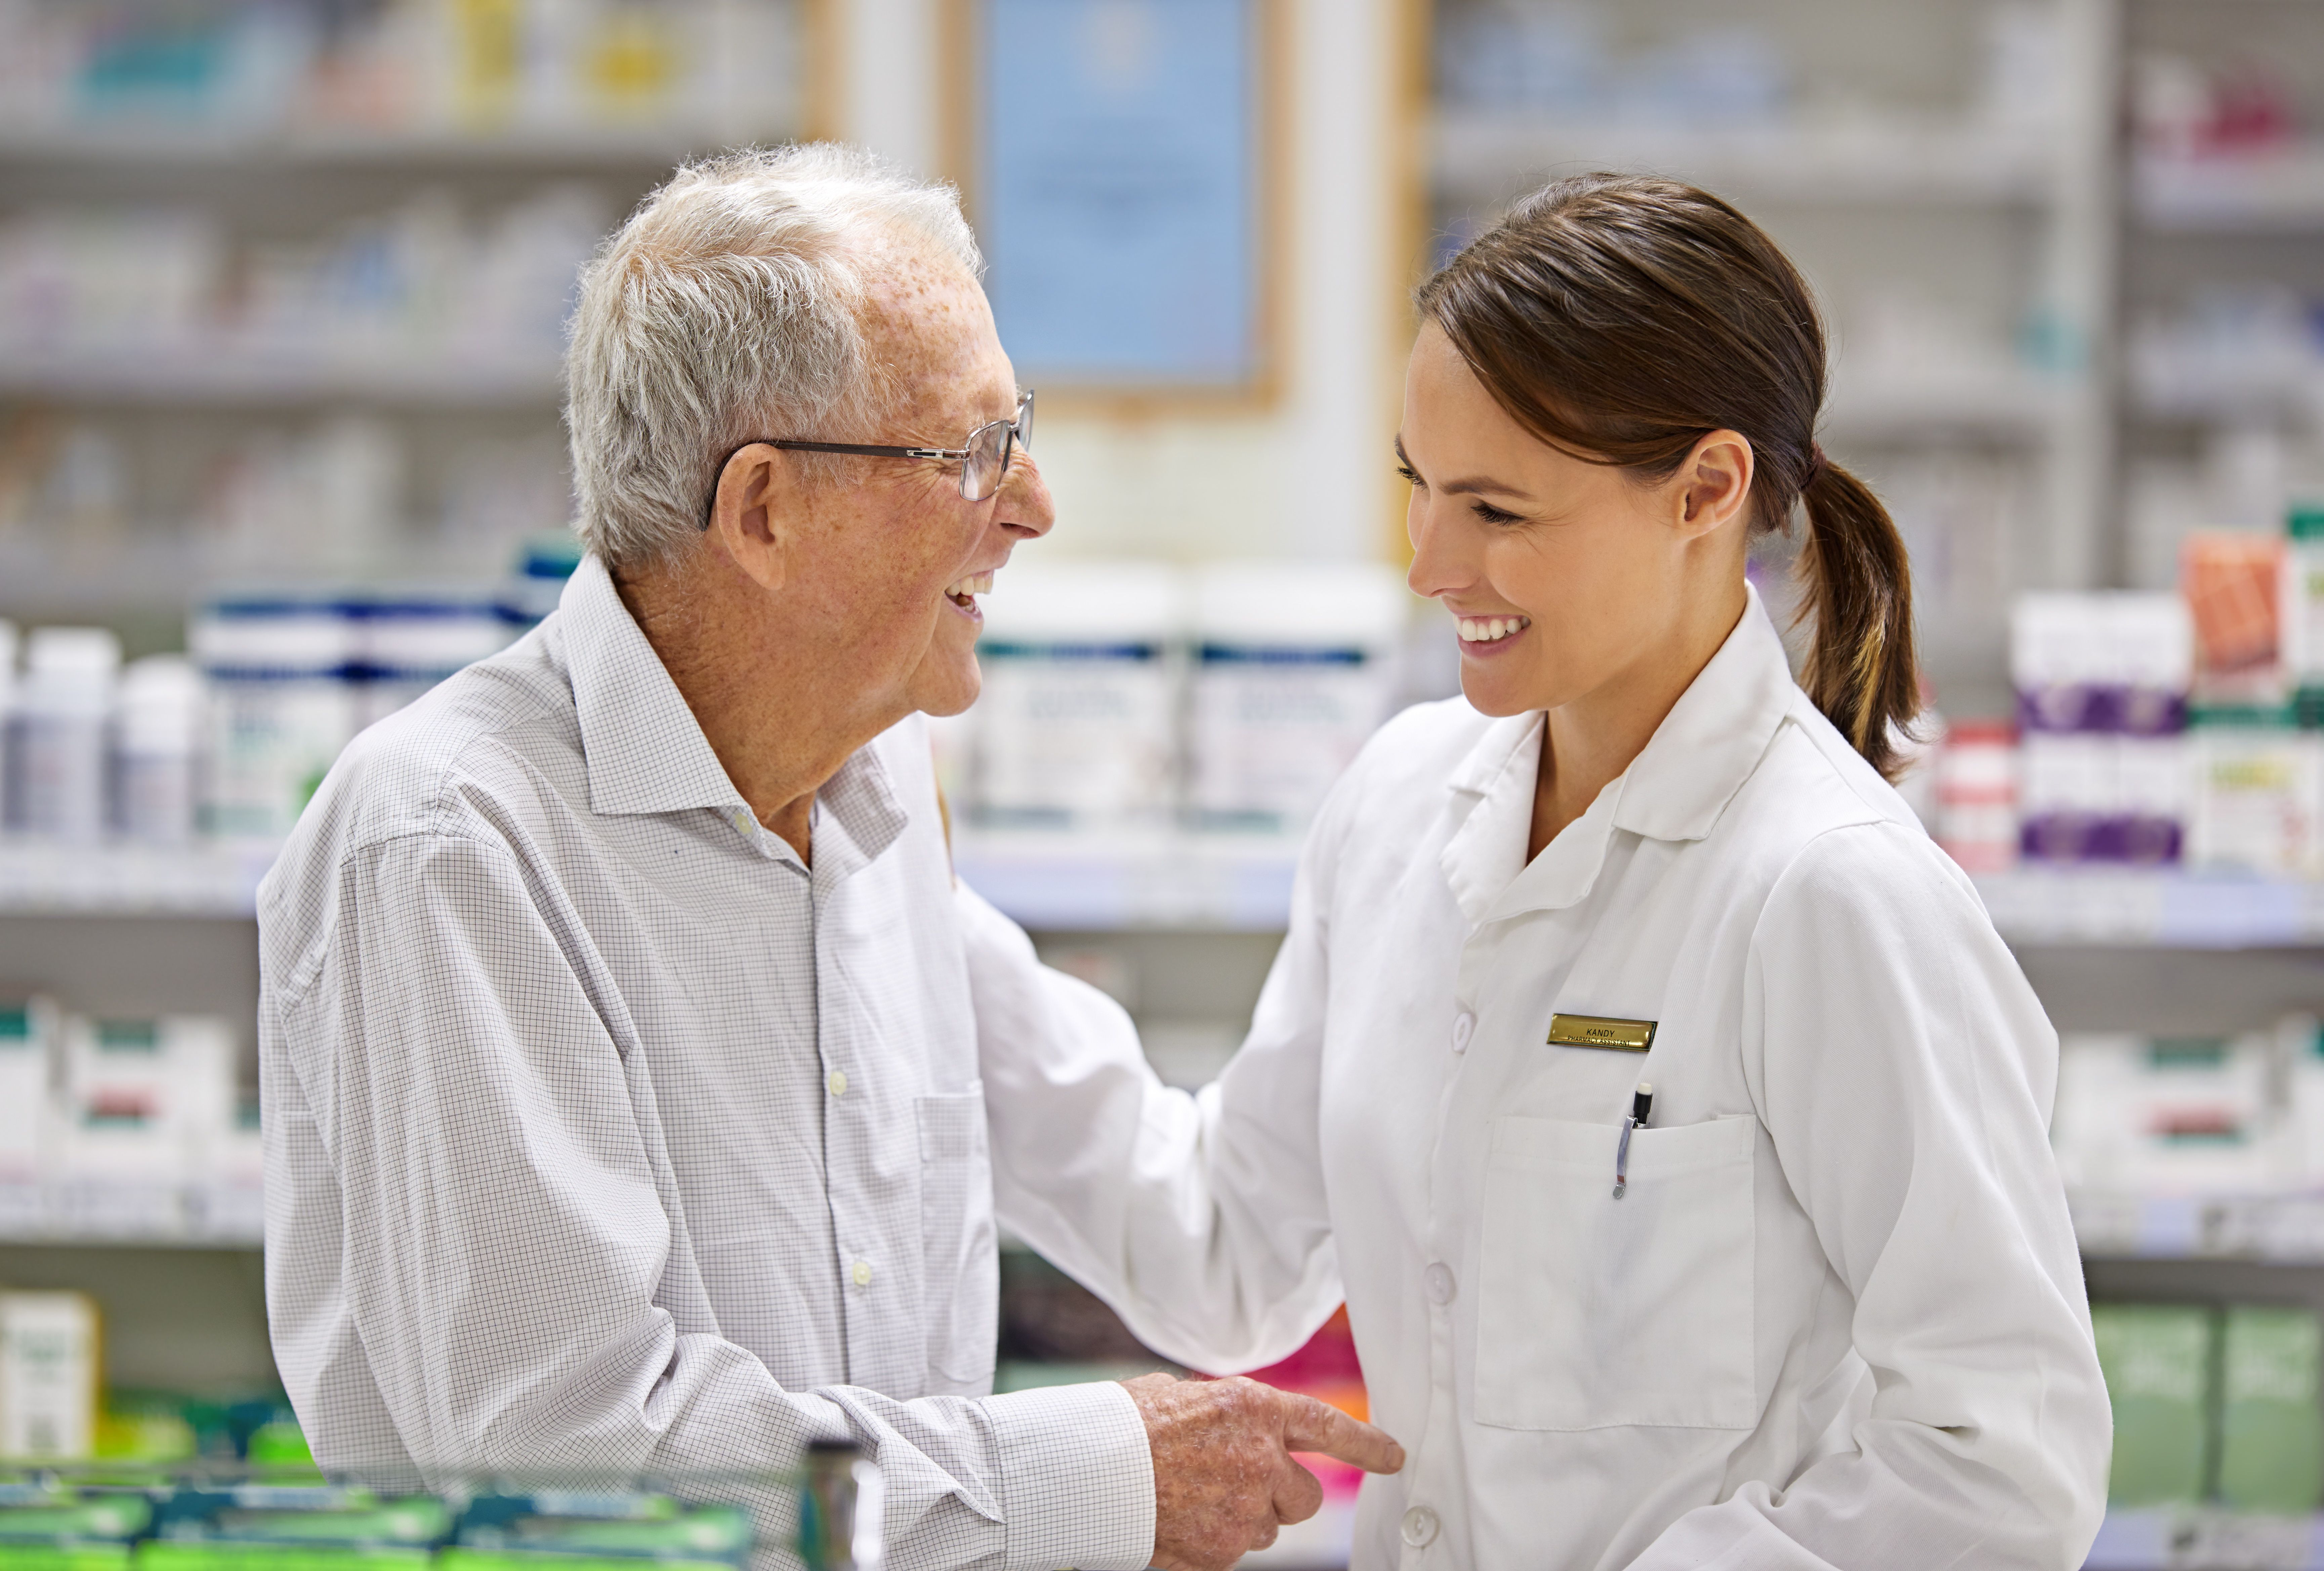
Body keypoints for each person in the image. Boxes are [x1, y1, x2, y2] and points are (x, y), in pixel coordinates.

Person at [256, 144, 1399, 1571]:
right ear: (765, 511)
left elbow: (1201, 1236)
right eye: (970, 451)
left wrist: (1412, 866)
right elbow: (566, 1465)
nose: (1033, 504)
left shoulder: (867, 791)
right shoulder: (453, 840)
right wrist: (1089, 1471)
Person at [960, 174, 2113, 1569]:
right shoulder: (1395, 805)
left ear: (1706, 489)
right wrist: (896, 916)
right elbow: (1232, 1249)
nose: (1431, 564)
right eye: (1416, 488)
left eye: (1499, 510)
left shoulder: (1829, 890)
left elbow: (2002, 1464)